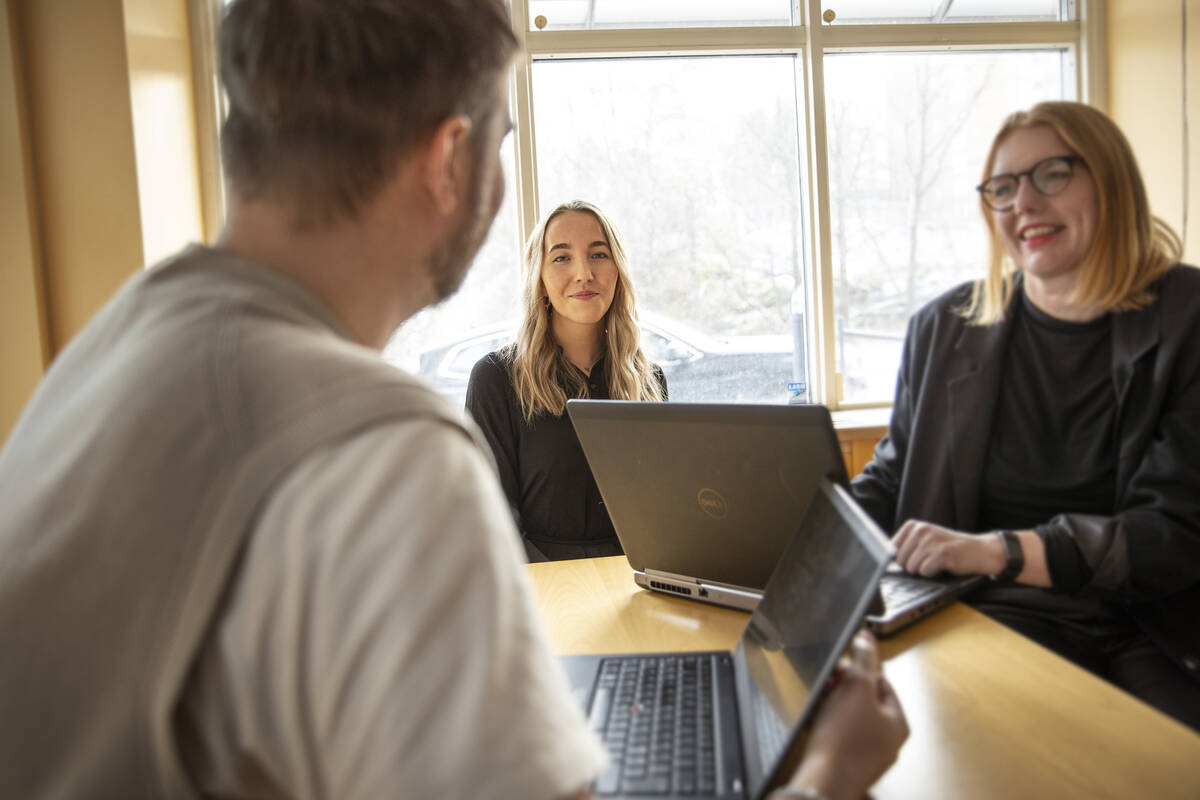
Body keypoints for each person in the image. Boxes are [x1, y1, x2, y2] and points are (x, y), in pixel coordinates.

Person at [0, 1, 905, 798]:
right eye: (503, 141)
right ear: (448, 156)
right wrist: (827, 776)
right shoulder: (382, 447)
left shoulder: (103, 356)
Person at [851, 100, 1200, 731]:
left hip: (1160, 626)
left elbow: (1172, 534)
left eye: (1052, 174)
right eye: (1003, 188)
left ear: (1112, 180)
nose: (1023, 205)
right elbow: (893, 480)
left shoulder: (1190, 319)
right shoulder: (943, 328)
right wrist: (798, 535)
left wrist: (996, 550)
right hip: (991, 614)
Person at [465, 200, 667, 561]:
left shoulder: (649, 381)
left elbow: (661, 515)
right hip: (541, 592)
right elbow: (494, 525)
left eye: (599, 255)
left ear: (618, 271)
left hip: (633, 584)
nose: (584, 273)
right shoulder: (495, 379)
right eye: (561, 257)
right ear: (539, 278)